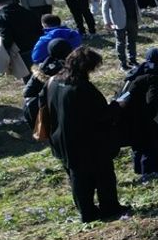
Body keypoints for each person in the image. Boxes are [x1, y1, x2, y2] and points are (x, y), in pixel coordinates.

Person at [45, 47, 129, 222]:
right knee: (104, 174)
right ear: (86, 67)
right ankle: (109, 208)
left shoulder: (52, 81)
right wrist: (117, 105)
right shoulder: (82, 88)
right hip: (87, 141)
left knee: (77, 177)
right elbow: (101, 114)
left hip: (61, 138)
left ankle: (87, 212)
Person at [116, 47, 158, 181]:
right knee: (150, 143)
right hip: (139, 116)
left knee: (138, 144)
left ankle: (140, 169)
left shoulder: (136, 72)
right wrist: (152, 114)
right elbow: (151, 102)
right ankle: (150, 174)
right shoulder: (154, 78)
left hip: (125, 114)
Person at [23, 37, 71, 132]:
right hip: (45, 108)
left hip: (34, 106)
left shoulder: (45, 65)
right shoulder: (62, 69)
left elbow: (27, 92)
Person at [101, 0, 141, 70]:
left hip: (132, 18)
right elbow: (104, 8)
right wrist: (107, 22)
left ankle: (133, 60)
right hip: (119, 21)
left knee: (132, 40)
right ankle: (123, 63)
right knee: (120, 42)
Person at [0, 0, 40, 79]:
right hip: (37, 47)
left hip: (21, 52)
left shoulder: (1, 17)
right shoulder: (26, 11)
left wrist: (5, 52)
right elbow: (39, 29)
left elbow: (7, 37)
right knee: (41, 76)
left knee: (30, 79)